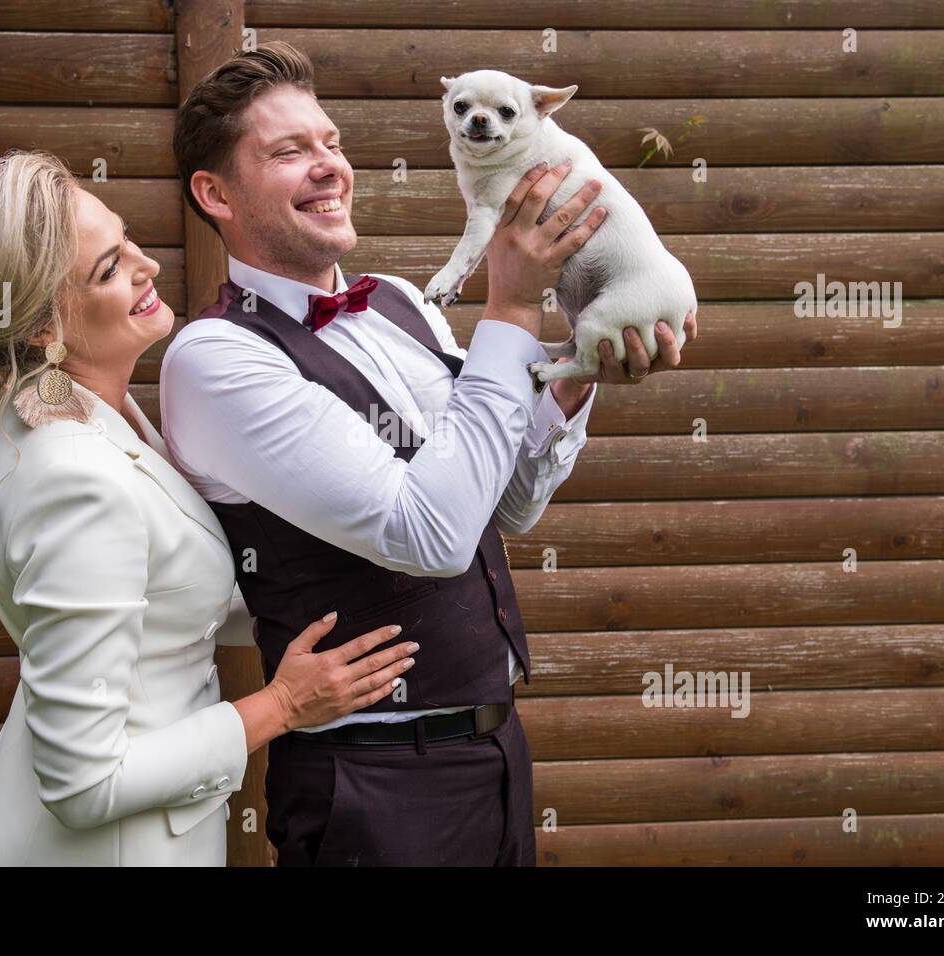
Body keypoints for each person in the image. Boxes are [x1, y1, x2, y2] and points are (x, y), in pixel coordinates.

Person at [163, 42, 697, 866]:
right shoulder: (217, 359)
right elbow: (433, 538)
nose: (328, 167)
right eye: (289, 152)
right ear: (214, 193)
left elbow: (507, 504)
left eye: (332, 143)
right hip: (373, 787)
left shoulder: (403, 306)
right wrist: (514, 305)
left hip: (495, 752)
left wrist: (576, 383)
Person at [0, 149, 418, 866]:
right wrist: (282, 706)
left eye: (124, 241)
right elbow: (83, 782)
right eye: (107, 269)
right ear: (39, 328)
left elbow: (162, 591)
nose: (145, 265)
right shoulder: (72, 478)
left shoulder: (78, 408)